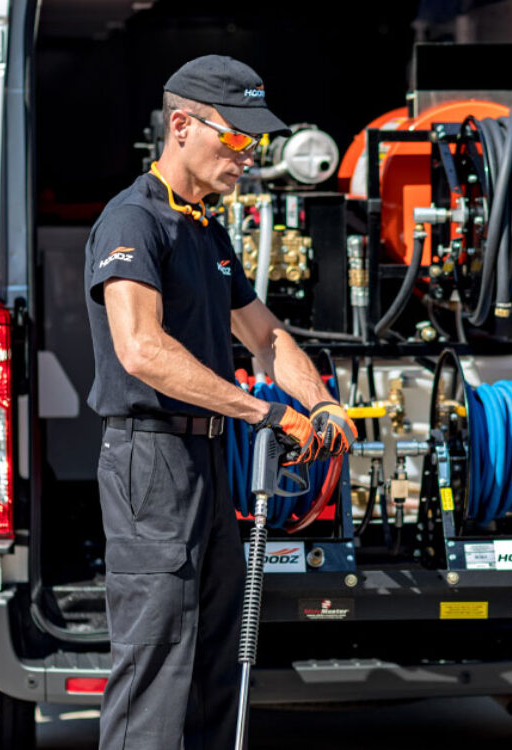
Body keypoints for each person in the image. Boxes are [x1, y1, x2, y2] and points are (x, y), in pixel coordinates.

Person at [83, 54, 357, 750]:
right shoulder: (131, 223)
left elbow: (265, 338)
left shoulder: (206, 229)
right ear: (182, 126)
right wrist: (264, 412)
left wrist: (319, 404)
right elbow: (141, 348)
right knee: (156, 674)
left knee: (212, 669)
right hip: (151, 463)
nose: (251, 154)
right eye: (237, 137)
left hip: (206, 459)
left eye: (258, 142)